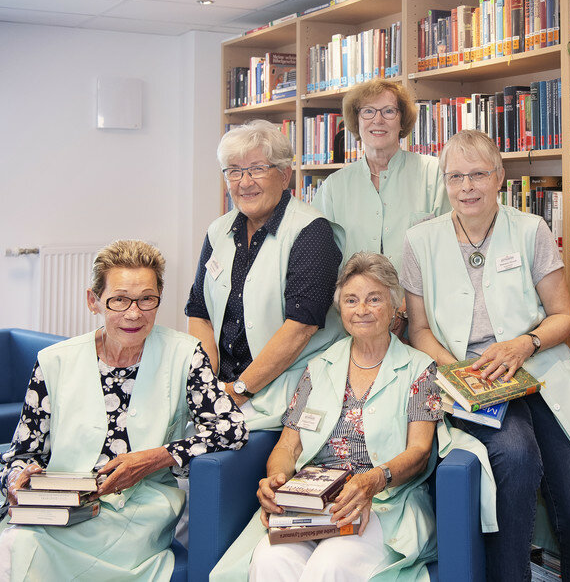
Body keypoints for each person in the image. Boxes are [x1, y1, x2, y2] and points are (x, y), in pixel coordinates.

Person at [401, 130, 570, 581]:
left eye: (478, 174)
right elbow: (417, 331)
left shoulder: (531, 230)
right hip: (473, 382)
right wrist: (461, 375)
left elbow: (564, 317)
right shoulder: (420, 241)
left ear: (500, 177)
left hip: (540, 372)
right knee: (516, 458)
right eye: (455, 177)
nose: (467, 187)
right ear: (444, 183)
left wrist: (524, 344)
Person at [0, 240, 248, 581]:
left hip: (140, 513)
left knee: (17, 549)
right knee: (16, 544)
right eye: (119, 300)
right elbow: (21, 455)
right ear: (94, 300)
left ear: (159, 298)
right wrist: (17, 479)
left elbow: (232, 428)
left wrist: (156, 458)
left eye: (147, 299)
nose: (134, 313)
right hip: (59, 509)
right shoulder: (53, 361)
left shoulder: (185, 354)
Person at [211, 252, 440, 582]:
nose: (361, 310)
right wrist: (277, 480)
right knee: (269, 560)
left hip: (382, 503)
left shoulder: (419, 368)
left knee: (330, 564)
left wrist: (373, 480)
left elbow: (419, 452)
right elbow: (288, 447)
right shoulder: (318, 368)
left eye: (374, 299)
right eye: (351, 300)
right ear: (340, 308)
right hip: (311, 505)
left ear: (395, 305)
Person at [186, 119, 342, 430]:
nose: (244, 182)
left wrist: (237, 392)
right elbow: (200, 313)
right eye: (234, 171)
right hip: (224, 388)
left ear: (284, 175)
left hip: (285, 390)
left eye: (257, 169)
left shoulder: (311, 231)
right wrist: (208, 384)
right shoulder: (218, 230)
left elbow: (300, 328)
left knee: (203, 445)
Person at [310, 80, 449, 297]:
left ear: (402, 120)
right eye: (368, 111)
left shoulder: (435, 174)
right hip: (355, 311)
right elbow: (319, 261)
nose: (378, 120)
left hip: (421, 307)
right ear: (356, 120)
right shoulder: (333, 188)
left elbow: (449, 251)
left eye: (388, 111)